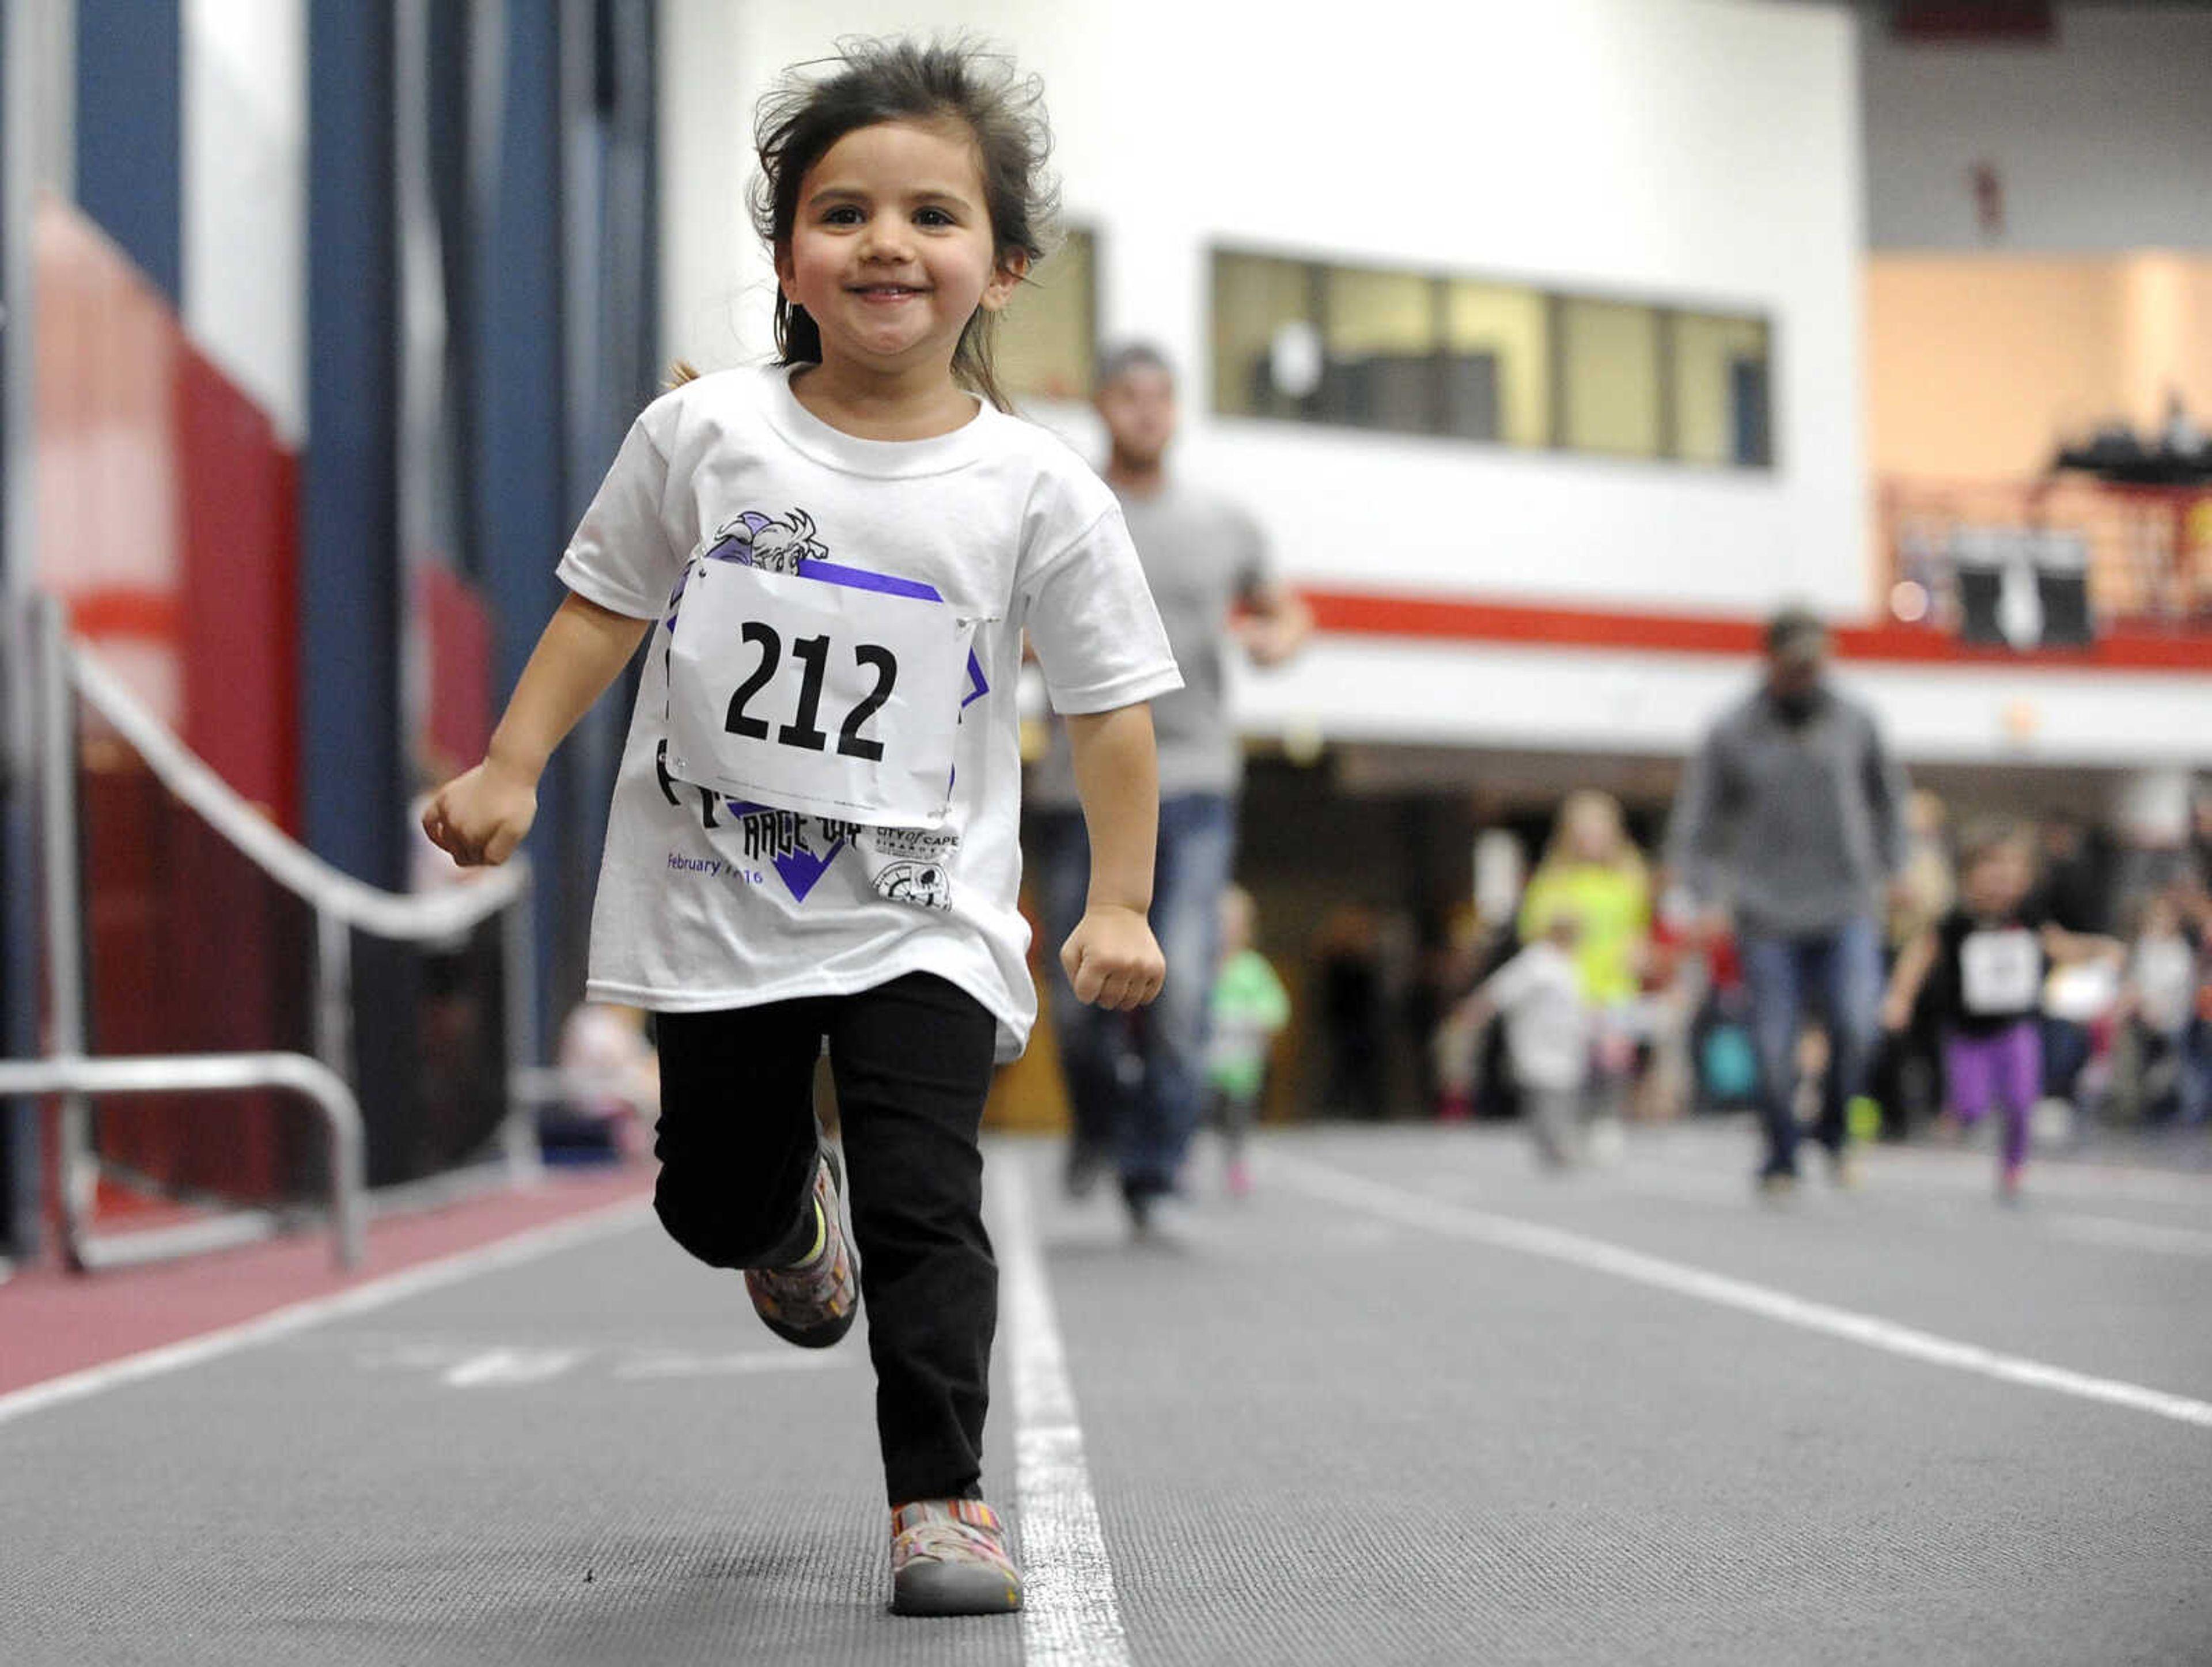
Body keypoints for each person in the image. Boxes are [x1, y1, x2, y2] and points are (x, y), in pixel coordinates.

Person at [421, 38, 1181, 1617]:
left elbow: (1111, 706)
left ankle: (941, 1498)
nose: (887, 243)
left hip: (927, 913)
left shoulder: (1040, 488)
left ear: (1005, 263)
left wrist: (1120, 899)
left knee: (928, 1194)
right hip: (718, 901)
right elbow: (602, 606)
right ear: (787, 254)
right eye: (843, 212)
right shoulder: (704, 439)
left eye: (932, 215)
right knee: (709, 1194)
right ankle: (783, 1219)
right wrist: (509, 762)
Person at [1028, 342, 1311, 1227]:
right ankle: (1098, 1127)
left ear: (1177, 409)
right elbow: (1010, 614)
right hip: (1079, 786)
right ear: (1103, 406)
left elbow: (1283, 608)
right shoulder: (1066, 507)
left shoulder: (1223, 523)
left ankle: (1154, 1169)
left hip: (1192, 779)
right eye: (1129, 395)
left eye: (1162, 396)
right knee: (1083, 1002)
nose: (1147, 411)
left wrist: (1279, 639)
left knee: (1184, 983)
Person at [1665, 605, 1910, 1192]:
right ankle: (1780, 1151)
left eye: (1815, 664)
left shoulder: (1856, 719)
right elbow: (1696, 823)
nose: (1806, 676)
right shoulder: (1731, 728)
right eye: (1795, 664)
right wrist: (1702, 897)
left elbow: (1889, 799)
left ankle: (1833, 1130)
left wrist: (1897, 866)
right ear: (1770, 660)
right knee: (1773, 1044)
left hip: (1847, 901)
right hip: (1765, 911)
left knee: (1857, 1024)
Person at [1884, 821, 2119, 1199]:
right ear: (1969, 876)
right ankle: (1962, 1111)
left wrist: (2099, 949)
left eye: (2011, 874)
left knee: (2022, 1099)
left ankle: (2013, 1165)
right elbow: (1918, 956)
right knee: (1972, 1105)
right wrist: (1900, 998)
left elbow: (2059, 946)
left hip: (2016, 1025)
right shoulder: (1955, 922)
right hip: (1968, 1031)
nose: (2001, 883)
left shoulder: (2028, 917)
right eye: (1991, 872)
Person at [1518, 790, 1650, 1137]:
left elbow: (1640, 927)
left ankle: (1606, 1120)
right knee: (1568, 1064)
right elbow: (1534, 931)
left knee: (1612, 1060)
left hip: (1615, 986)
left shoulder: (1629, 876)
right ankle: (1567, 1123)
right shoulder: (1555, 880)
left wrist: (1638, 952)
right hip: (1570, 988)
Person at [1449, 911, 1593, 1168]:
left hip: (1566, 1044)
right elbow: (1502, 990)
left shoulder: (1569, 963)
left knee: (1565, 1094)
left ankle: (1559, 1144)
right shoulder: (1537, 962)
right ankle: (1553, 1147)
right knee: (1546, 1095)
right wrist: (1474, 1012)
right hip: (1538, 1042)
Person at [1203, 884, 1291, 1197]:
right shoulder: (1200, 968)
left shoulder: (1253, 970)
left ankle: (1236, 1163)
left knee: (1237, 1119)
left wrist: (1258, 1019)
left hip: (1242, 1065)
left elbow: (1277, 1008)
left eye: (1231, 924)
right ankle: (1180, 1162)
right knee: (1197, 1113)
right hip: (1204, 1065)